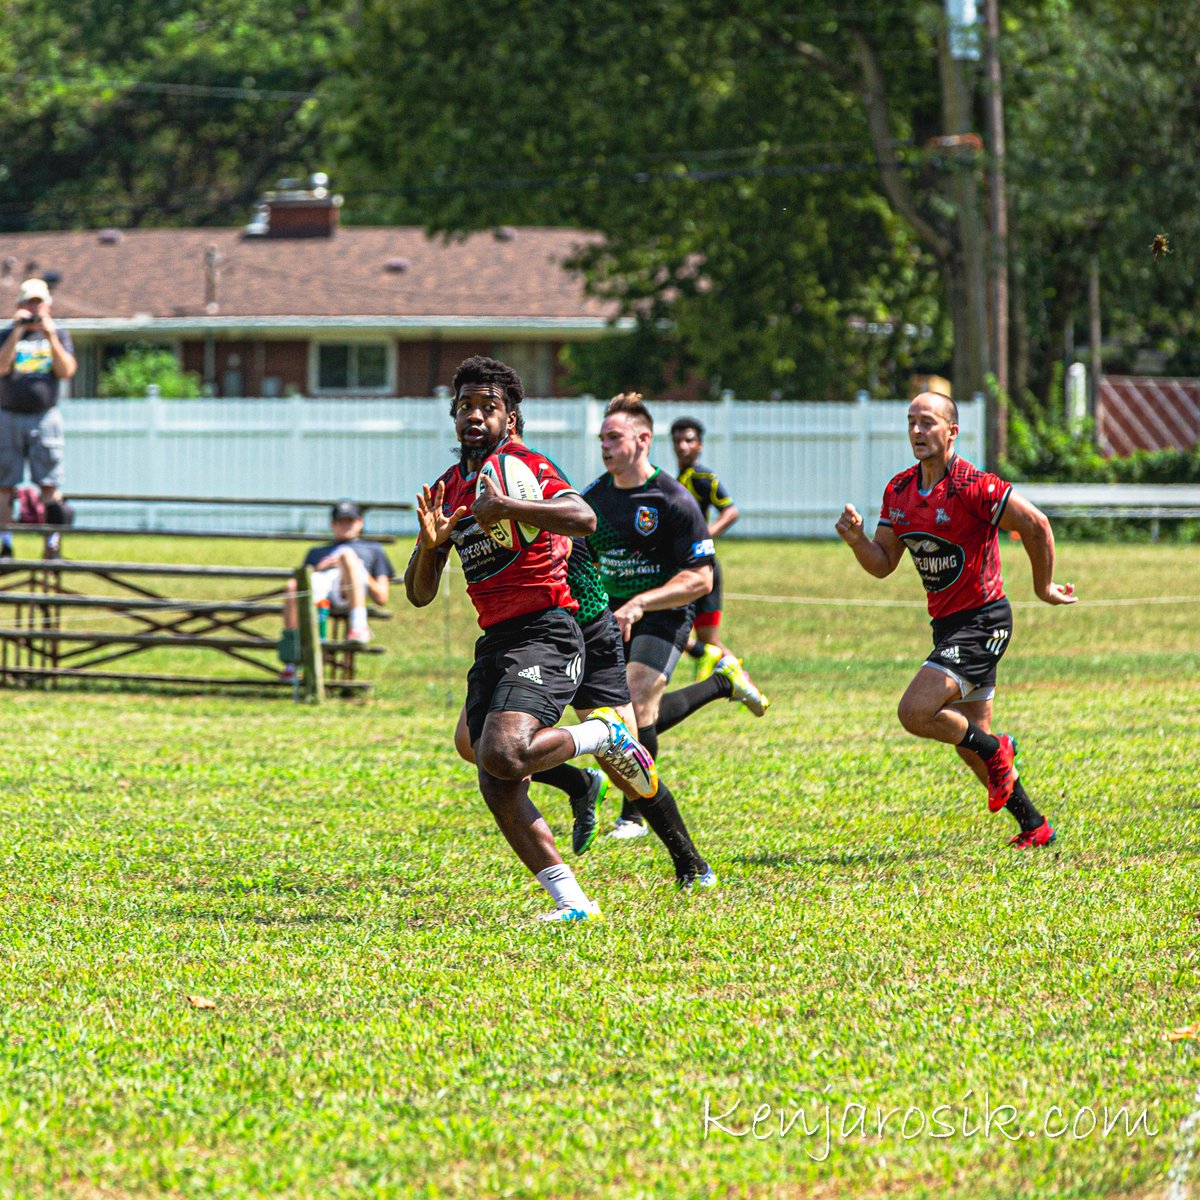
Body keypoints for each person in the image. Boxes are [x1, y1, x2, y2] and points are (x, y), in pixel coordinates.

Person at [405, 356, 658, 922]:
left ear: (510, 418)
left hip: (547, 631)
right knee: (493, 774)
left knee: (502, 751)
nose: (474, 416)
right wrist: (428, 547)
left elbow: (582, 516)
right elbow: (418, 594)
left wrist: (508, 507)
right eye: (464, 406)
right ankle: (573, 904)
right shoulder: (448, 489)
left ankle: (604, 734)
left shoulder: (524, 466)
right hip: (495, 640)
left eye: (487, 407)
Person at [835, 390, 1077, 848]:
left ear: (952, 431)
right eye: (911, 422)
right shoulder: (900, 491)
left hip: (984, 621)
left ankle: (998, 748)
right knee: (972, 746)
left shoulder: (974, 486)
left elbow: (1036, 524)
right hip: (947, 627)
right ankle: (1034, 825)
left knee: (915, 712)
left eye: (928, 422)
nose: (916, 431)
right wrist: (856, 540)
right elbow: (884, 563)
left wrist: (1043, 588)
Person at [584, 393, 768, 841]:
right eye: (601, 438)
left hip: (664, 611)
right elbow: (580, 562)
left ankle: (633, 815)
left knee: (637, 696)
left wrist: (644, 602)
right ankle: (721, 684)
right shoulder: (593, 499)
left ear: (643, 439)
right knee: (621, 715)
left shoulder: (673, 499)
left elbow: (701, 579)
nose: (605, 446)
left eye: (614, 437)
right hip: (614, 613)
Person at [0, 278, 76, 560]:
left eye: (38, 303)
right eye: (29, 303)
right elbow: (1, 366)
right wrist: (17, 330)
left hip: (45, 416)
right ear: (20, 305)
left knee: (49, 483)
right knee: (4, 485)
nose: (34, 308)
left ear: (47, 305)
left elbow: (67, 370)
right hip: (8, 416)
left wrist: (50, 335)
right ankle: (5, 545)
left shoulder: (59, 334)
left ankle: (52, 545)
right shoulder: (7, 334)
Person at [278, 500, 393, 678]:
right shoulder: (316, 552)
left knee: (347, 554)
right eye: (341, 521)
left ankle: (358, 624)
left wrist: (358, 569)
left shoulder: (374, 550)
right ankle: (292, 658)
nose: (346, 526)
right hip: (320, 593)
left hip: (349, 592)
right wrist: (320, 567)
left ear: (360, 522)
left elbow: (381, 596)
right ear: (333, 524)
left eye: (350, 521)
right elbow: (303, 585)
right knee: (292, 585)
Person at [670, 415, 747, 679]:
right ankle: (737, 679)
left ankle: (742, 681)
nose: (682, 446)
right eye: (678, 440)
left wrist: (703, 537)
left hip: (701, 565)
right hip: (683, 564)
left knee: (703, 639)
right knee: (702, 638)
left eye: (689, 440)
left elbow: (731, 511)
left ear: (700, 445)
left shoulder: (702, 477)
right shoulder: (677, 478)